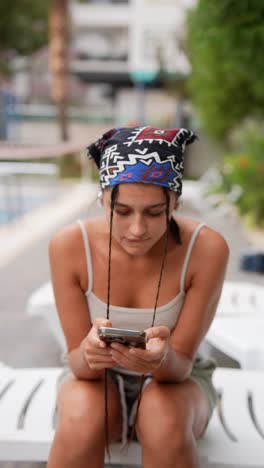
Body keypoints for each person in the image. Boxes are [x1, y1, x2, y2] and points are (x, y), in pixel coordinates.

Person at [47, 126, 229, 468]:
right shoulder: (69, 246)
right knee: (80, 418)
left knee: (163, 417)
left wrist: (162, 360)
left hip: (178, 382)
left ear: (175, 202)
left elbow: (182, 367)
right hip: (96, 381)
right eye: (122, 211)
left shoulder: (206, 249)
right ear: (103, 198)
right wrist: (89, 353)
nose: (136, 230)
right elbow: (78, 366)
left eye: (155, 213)